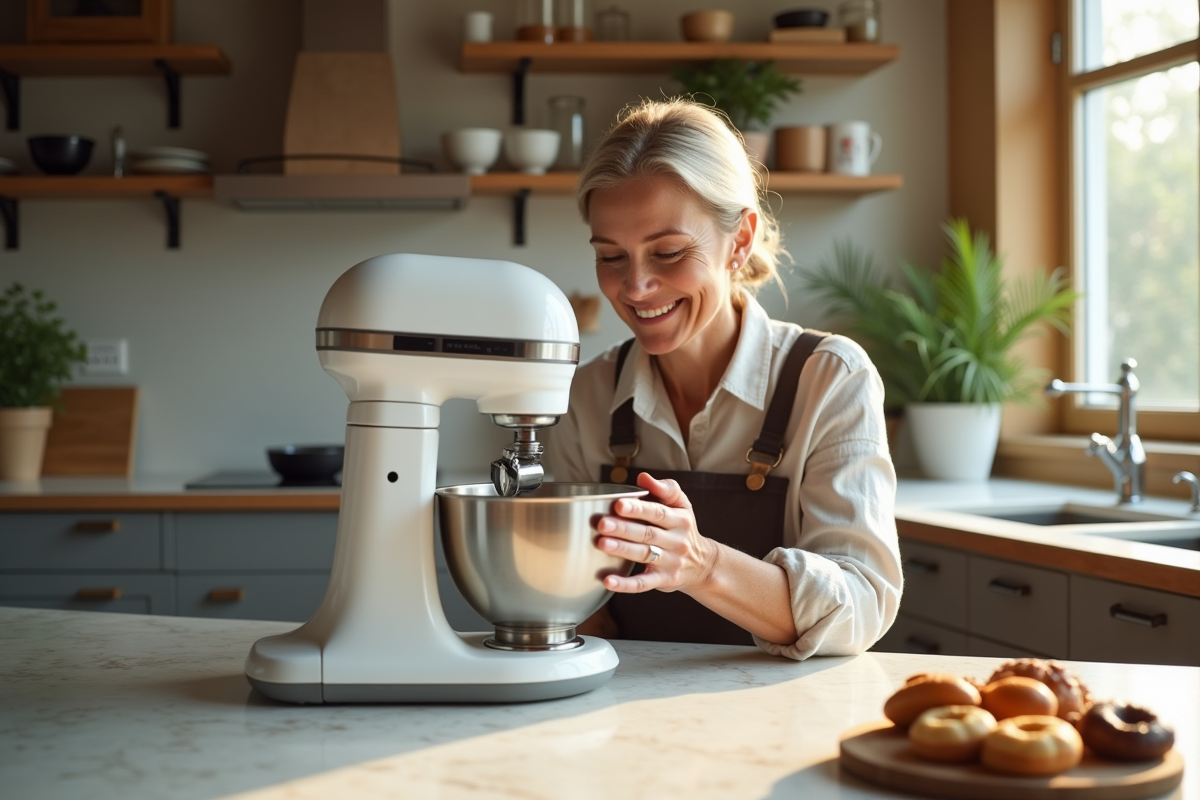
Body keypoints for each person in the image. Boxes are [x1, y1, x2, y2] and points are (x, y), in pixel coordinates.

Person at [545, 98, 902, 660]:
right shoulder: (585, 395)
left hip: (784, 721)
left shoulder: (830, 378)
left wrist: (701, 564)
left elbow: (860, 606)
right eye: (611, 256)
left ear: (739, 242)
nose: (636, 287)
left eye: (667, 252)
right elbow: (569, 595)